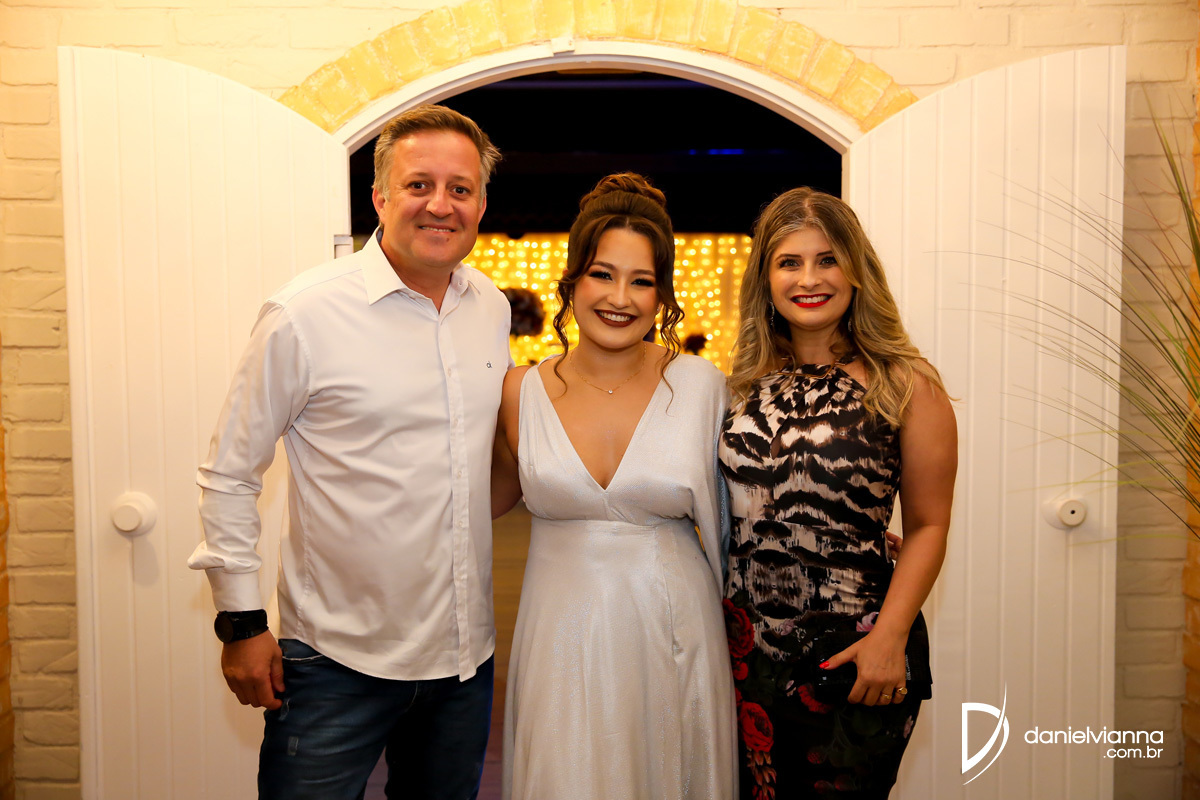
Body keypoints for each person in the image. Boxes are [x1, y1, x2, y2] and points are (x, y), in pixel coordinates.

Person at [187, 105, 512, 800]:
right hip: (333, 664)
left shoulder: (489, 307)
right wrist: (241, 623)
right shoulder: (304, 313)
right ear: (380, 198)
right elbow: (230, 473)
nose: (441, 204)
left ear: (481, 205)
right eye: (419, 184)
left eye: (460, 188)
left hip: (463, 662)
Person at [491, 173, 738, 799]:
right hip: (558, 635)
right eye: (603, 274)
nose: (620, 298)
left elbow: (745, 508)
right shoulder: (519, 392)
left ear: (663, 295)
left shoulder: (702, 387)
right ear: (572, 281)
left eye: (642, 281)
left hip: (674, 631)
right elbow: (470, 500)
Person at [719, 188, 956, 799]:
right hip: (742, 660)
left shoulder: (906, 385)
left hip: (856, 656)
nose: (809, 279)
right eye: (789, 262)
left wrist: (888, 639)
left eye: (827, 259)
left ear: (856, 269)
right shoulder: (739, 389)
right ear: (765, 278)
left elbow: (929, 526)